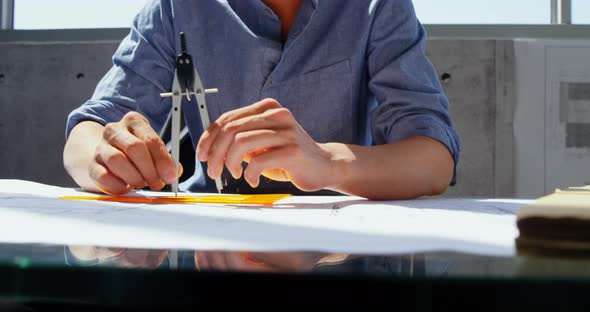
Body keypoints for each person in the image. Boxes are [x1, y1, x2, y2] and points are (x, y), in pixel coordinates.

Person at [63, 0, 461, 200]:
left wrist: (328, 162)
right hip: (204, 255)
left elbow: (434, 159)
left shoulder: (376, 7)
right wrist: (104, 156)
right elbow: (89, 128)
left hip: (340, 263)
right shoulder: (179, 6)